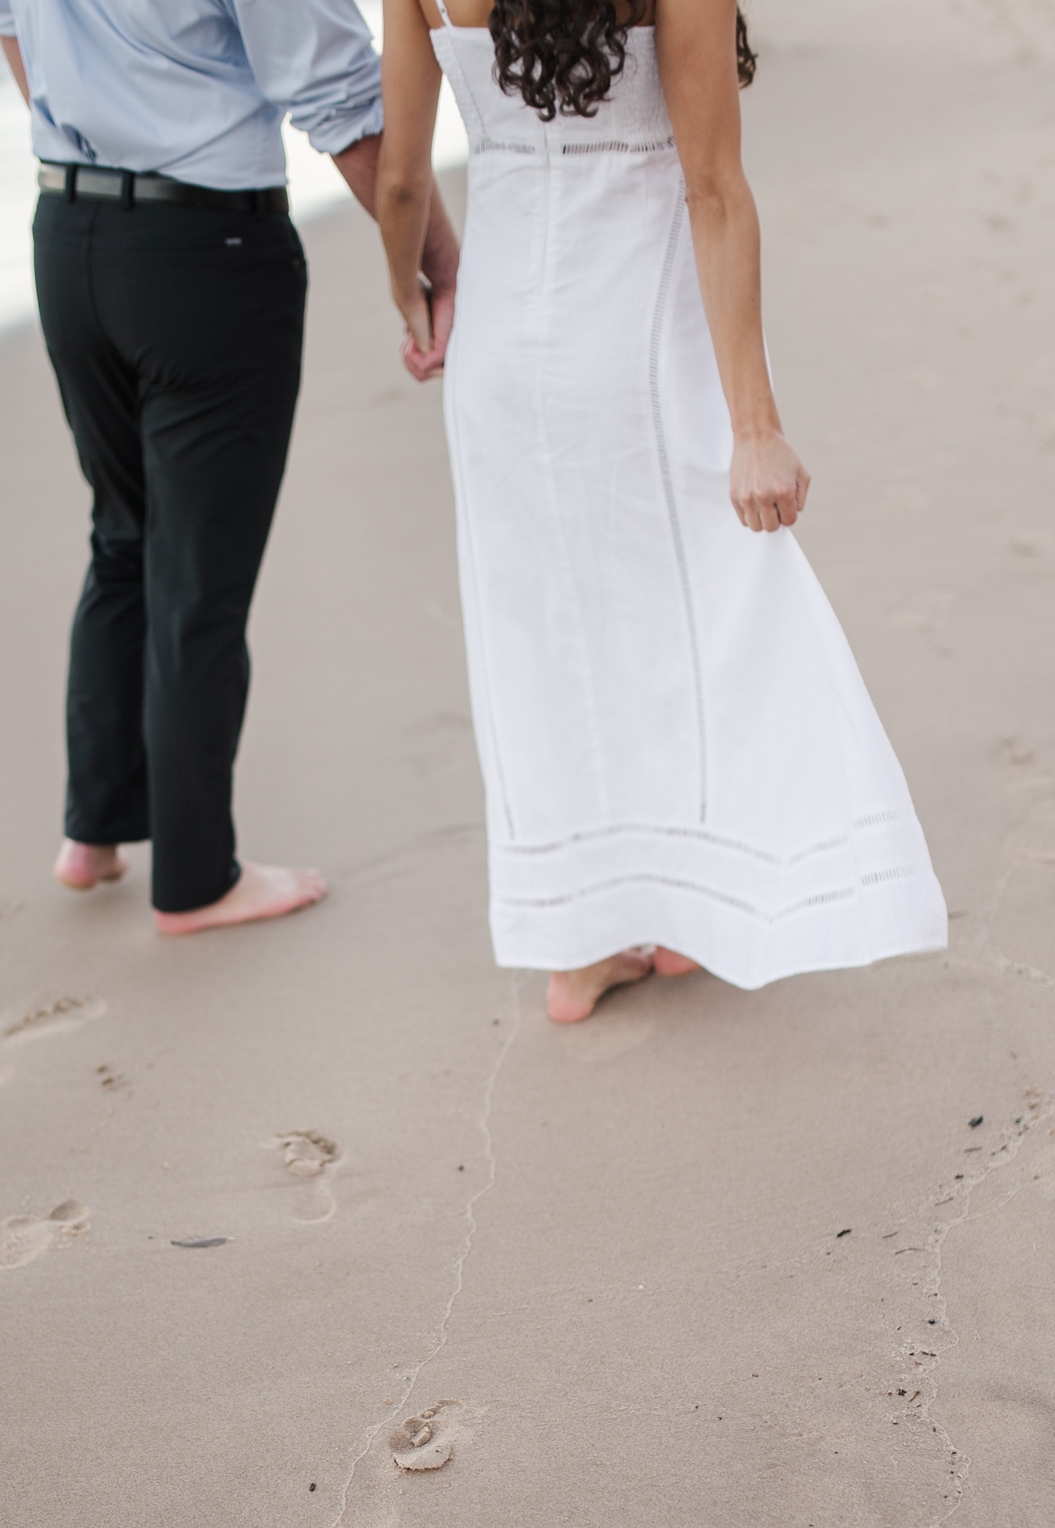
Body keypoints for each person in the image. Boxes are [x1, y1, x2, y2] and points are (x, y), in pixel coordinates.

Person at [377, 0, 948, 1019]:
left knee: (540, 634)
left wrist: (415, 295)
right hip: (644, 336)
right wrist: (755, 425)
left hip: (502, 348)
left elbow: (404, 179)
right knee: (695, 623)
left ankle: (577, 945)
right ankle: (691, 899)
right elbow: (714, 187)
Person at [0, 0, 459, 933]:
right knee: (198, 578)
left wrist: (100, 136)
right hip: (205, 253)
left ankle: (95, 830)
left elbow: (8, 20)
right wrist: (435, 258)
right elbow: (345, 100)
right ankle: (198, 878)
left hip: (67, 231)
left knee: (123, 533)